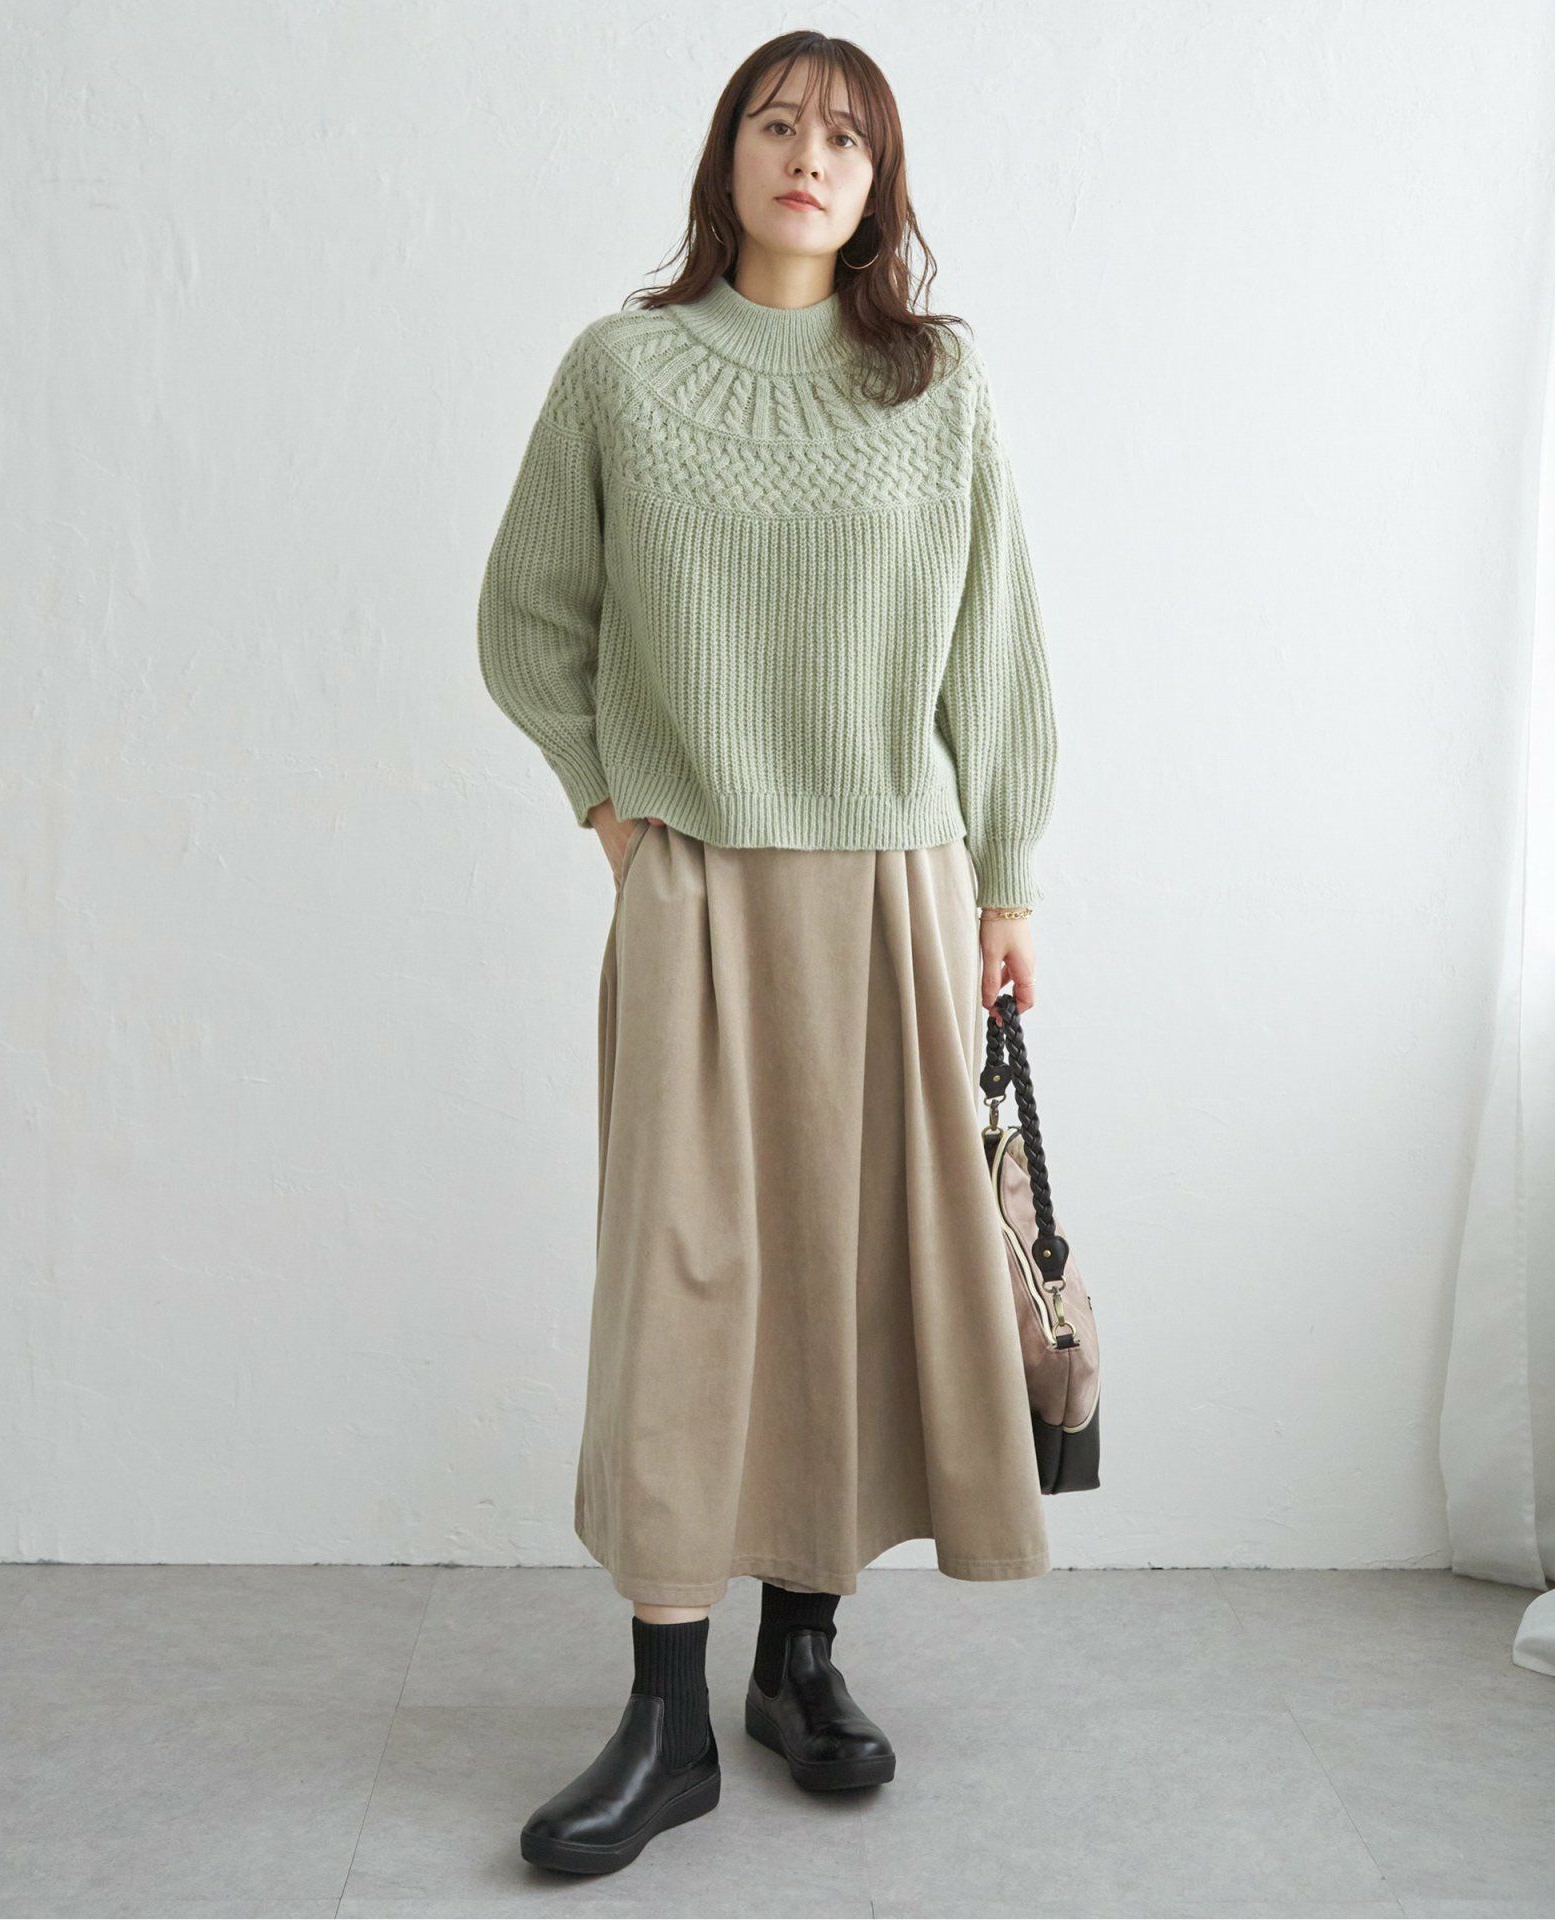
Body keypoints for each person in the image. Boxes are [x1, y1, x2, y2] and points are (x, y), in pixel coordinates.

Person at [478, 28, 1059, 1878]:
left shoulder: (933, 384)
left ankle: (799, 1662)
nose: (809, 155)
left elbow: (997, 646)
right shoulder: (623, 371)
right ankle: (665, 1712)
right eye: (777, 122)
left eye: (847, 138)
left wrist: (1006, 885)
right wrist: (612, 809)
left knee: (850, 1271)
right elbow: (526, 616)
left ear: (880, 187)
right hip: (700, 883)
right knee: (682, 1282)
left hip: (894, 885)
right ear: (726, 155)